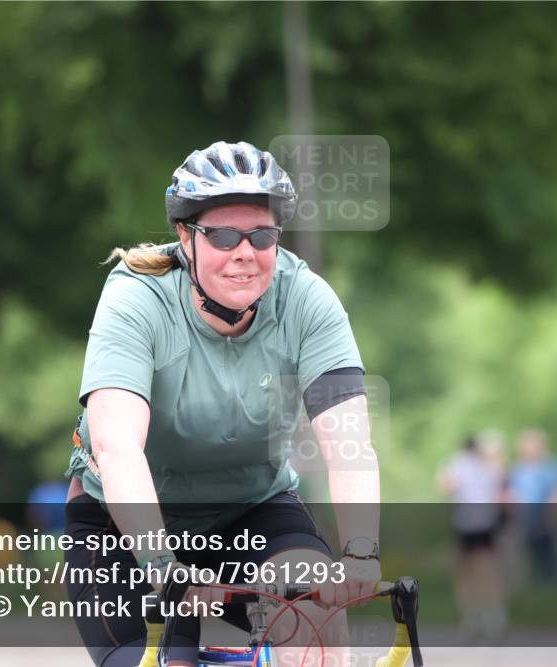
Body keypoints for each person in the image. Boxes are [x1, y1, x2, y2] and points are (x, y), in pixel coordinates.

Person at [63, 141, 381, 667]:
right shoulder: (136, 297)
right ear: (186, 237)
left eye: (262, 235)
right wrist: (162, 567)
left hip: (251, 509)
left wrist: (361, 553)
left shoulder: (307, 299)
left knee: (316, 614)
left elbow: (349, 443)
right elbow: (117, 446)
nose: (244, 252)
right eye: (224, 235)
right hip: (120, 521)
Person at [437, 436, 508, 642]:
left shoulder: (456, 464)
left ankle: (473, 616)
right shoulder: (490, 465)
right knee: (488, 571)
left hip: (466, 525)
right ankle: (494, 616)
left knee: (465, 572)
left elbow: (446, 488)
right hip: (486, 524)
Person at [506, 428, 557, 584]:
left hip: (543, 513)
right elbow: (512, 492)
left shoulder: (551, 466)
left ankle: (552, 585)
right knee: (525, 553)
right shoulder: (518, 468)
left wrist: (551, 516)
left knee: (547, 553)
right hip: (523, 515)